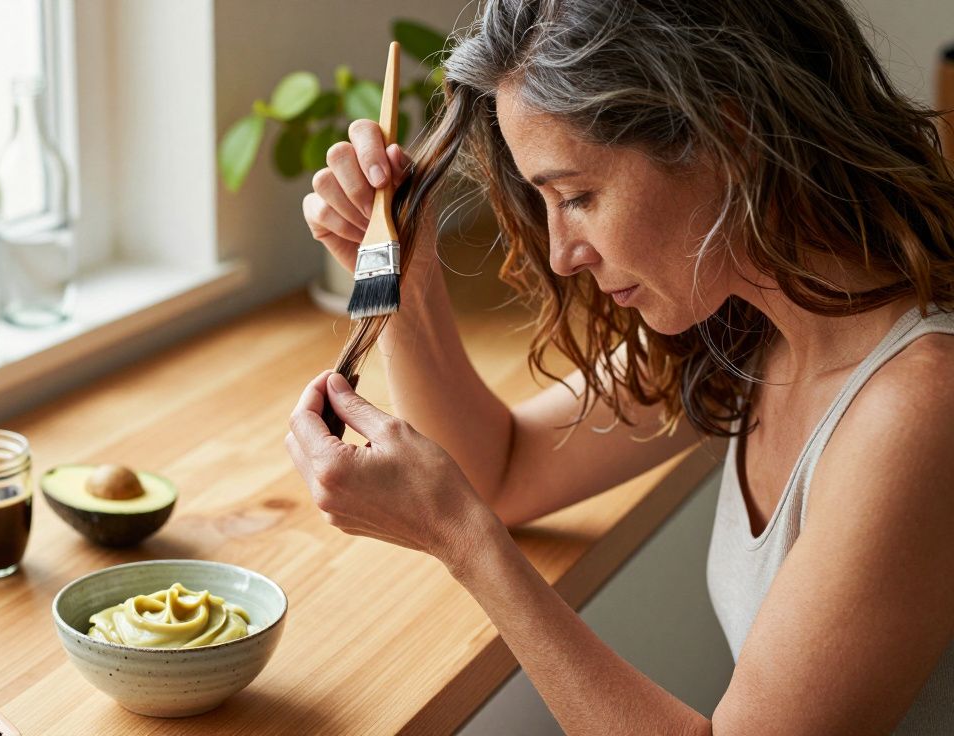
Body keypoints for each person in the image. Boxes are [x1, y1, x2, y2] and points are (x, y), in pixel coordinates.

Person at [285, 0, 954, 732]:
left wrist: (462, 540)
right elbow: (501, 471)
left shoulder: (918, 407)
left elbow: (476, 503)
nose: (561, 254)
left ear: (727, 136)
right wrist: (406, 282)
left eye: (576, 196)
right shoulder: (753, 319)